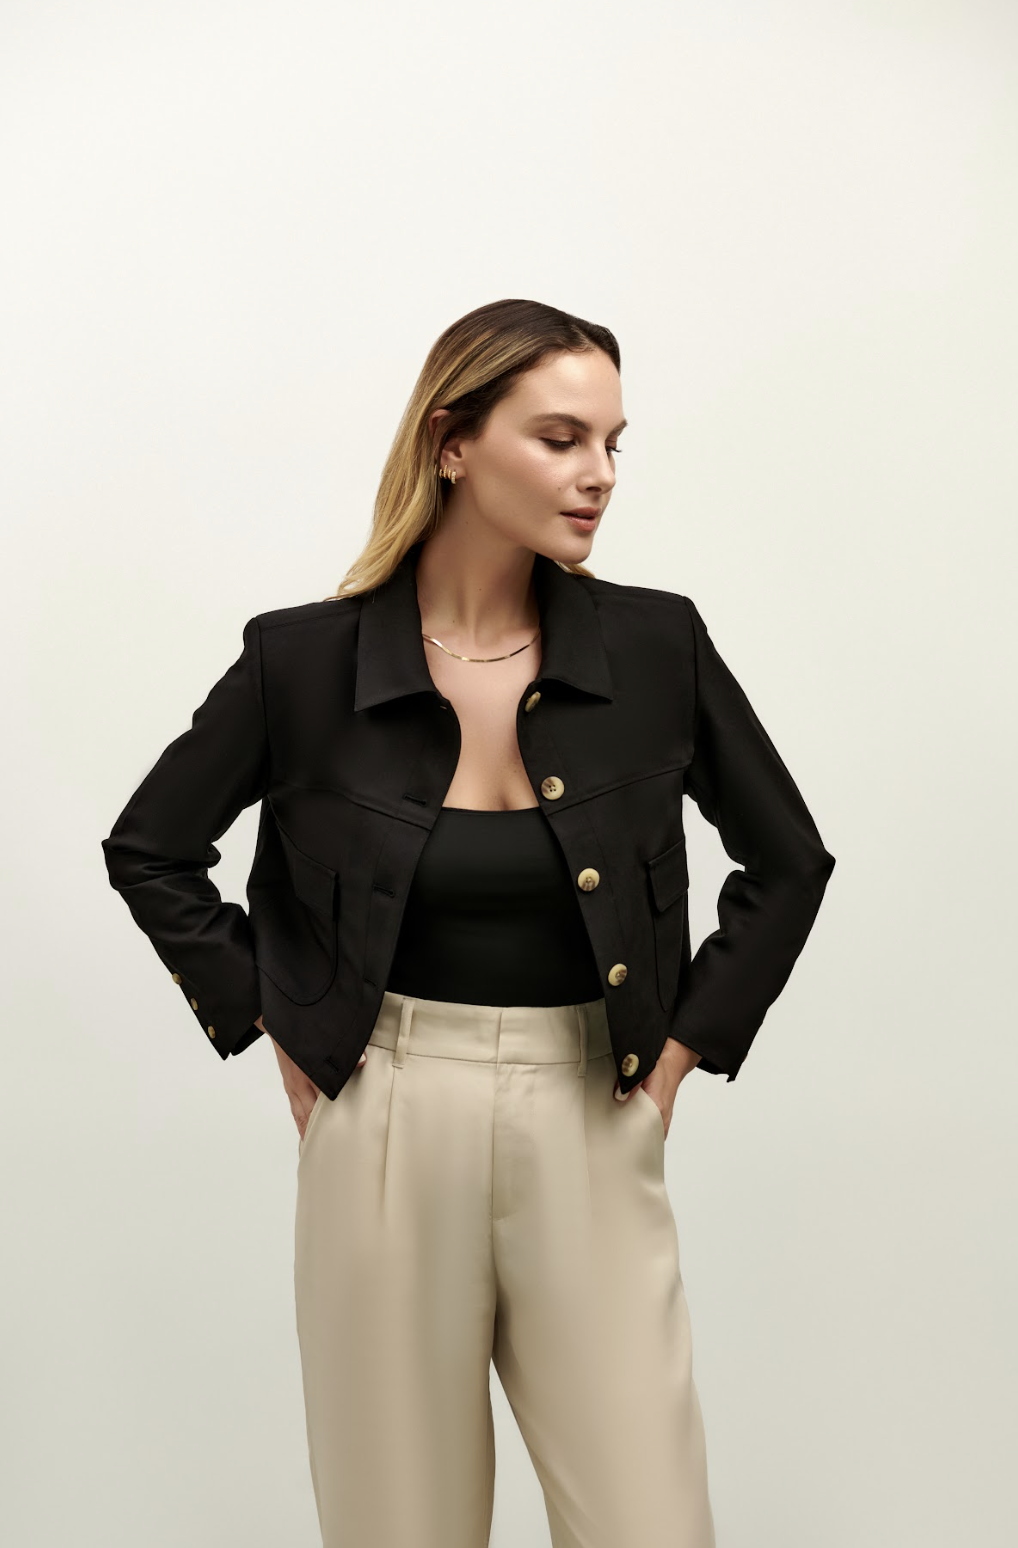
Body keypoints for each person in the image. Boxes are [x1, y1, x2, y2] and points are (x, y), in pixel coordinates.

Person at [102, 298, 836, 1548]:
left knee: (649, 1523)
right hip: (384, 1115)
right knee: (400, 1526)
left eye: (611, 443)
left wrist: (676, 1056)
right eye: (559, 438)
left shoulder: (655, 645)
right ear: (452, 442)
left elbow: (788, 861)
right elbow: (151, 847)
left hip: (593, 1110)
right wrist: (279, 1019)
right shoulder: (304, 662)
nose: (599, 474)